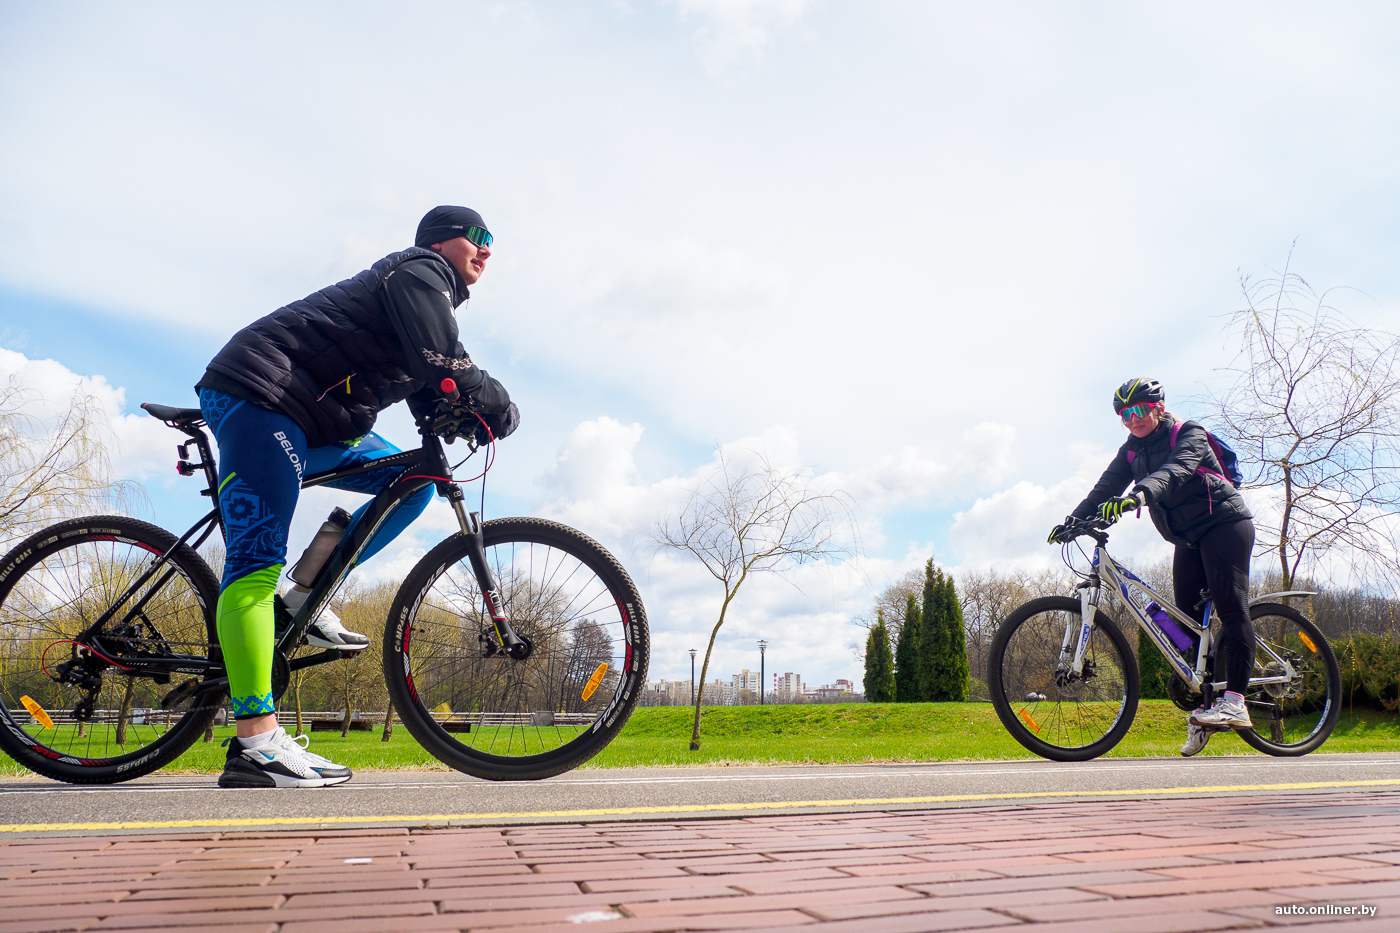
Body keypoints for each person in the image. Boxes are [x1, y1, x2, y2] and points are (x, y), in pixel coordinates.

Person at [196, 205, 520, 788]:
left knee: (416, 480)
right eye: (478, 237)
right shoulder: (419, 273)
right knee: (253, 565)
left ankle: (302, 599)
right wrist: (494, 399)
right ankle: (255, 743)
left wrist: (466, 416)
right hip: (260, 396)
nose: (487, 250)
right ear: (442, 241)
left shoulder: (425, 308)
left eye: (492, 242)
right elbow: (444, 363)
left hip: (311, 421)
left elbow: (434, 390)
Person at [1048, 378, 1255, 758]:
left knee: (1230, 605)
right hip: (1188, 539)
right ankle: (1203, 709)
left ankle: (1236, 700)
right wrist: (1072, 521)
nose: (1133, 419)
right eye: (1125, 414)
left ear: (1158, 408)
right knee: (1185, 629)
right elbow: (1103, 489)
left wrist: (1139, 494)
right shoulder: (1130, 451)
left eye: (1140, 410)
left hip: (1224, 524)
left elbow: (1176, 471)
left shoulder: (1187, 433)